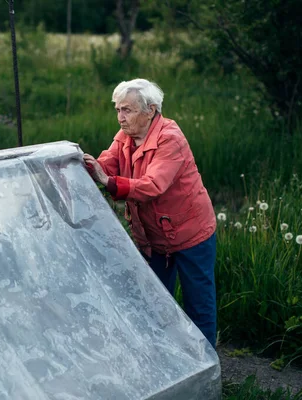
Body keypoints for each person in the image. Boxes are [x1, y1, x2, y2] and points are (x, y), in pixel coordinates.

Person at [83, 78, 218, 348]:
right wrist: (83, 165)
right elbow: (108, 162)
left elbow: (153, 185)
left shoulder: (171, 138)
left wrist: (108, 182)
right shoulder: (126, 135)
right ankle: (165, 358)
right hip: (153, 236)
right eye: (118, 110)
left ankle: (207, 369)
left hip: (192, 234)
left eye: (127, 110)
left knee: (198, 304)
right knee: (154, 300)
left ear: (151, 110)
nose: (120, 117)